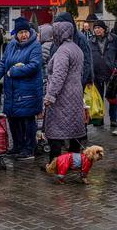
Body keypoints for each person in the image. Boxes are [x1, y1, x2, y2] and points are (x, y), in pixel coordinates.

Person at [0, 17, 43, 160]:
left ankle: (29, 148)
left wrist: (14, 72)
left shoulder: (35, 45)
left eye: (26, 31)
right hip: (12, 91)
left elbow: (34, 65)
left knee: (27, 119)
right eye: (20, 32)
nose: (24, 35)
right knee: (13, 119)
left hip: (28, 92)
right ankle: (18, 146)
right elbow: (2, 63)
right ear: (16, 34)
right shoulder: (11, 44)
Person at [43, 21, 86, 162]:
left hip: (62, 95)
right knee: (74, 128)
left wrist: (50, 96)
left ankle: (54, 163)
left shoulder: (62, 51)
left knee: (56, 130)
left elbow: (58, 76)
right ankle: (74, 161)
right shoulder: (76, 49)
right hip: (76, 92)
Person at [89, 20, 117, 127]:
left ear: (104, 29)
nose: (97, 30)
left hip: (111, 73)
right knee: (98, 98)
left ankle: (113, 119)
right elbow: (88, 57)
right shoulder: (91, 41)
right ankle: (99, 119)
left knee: (112, 97)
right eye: (95, 28)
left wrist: (116, 65)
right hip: (96, 74)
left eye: (99, 28)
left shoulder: (114, 39)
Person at [50, 12, 93, 87]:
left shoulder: (80, 38)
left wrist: (82, 81)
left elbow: (87, 61)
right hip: (59, 82)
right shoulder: (56, 39)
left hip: (75, 83)